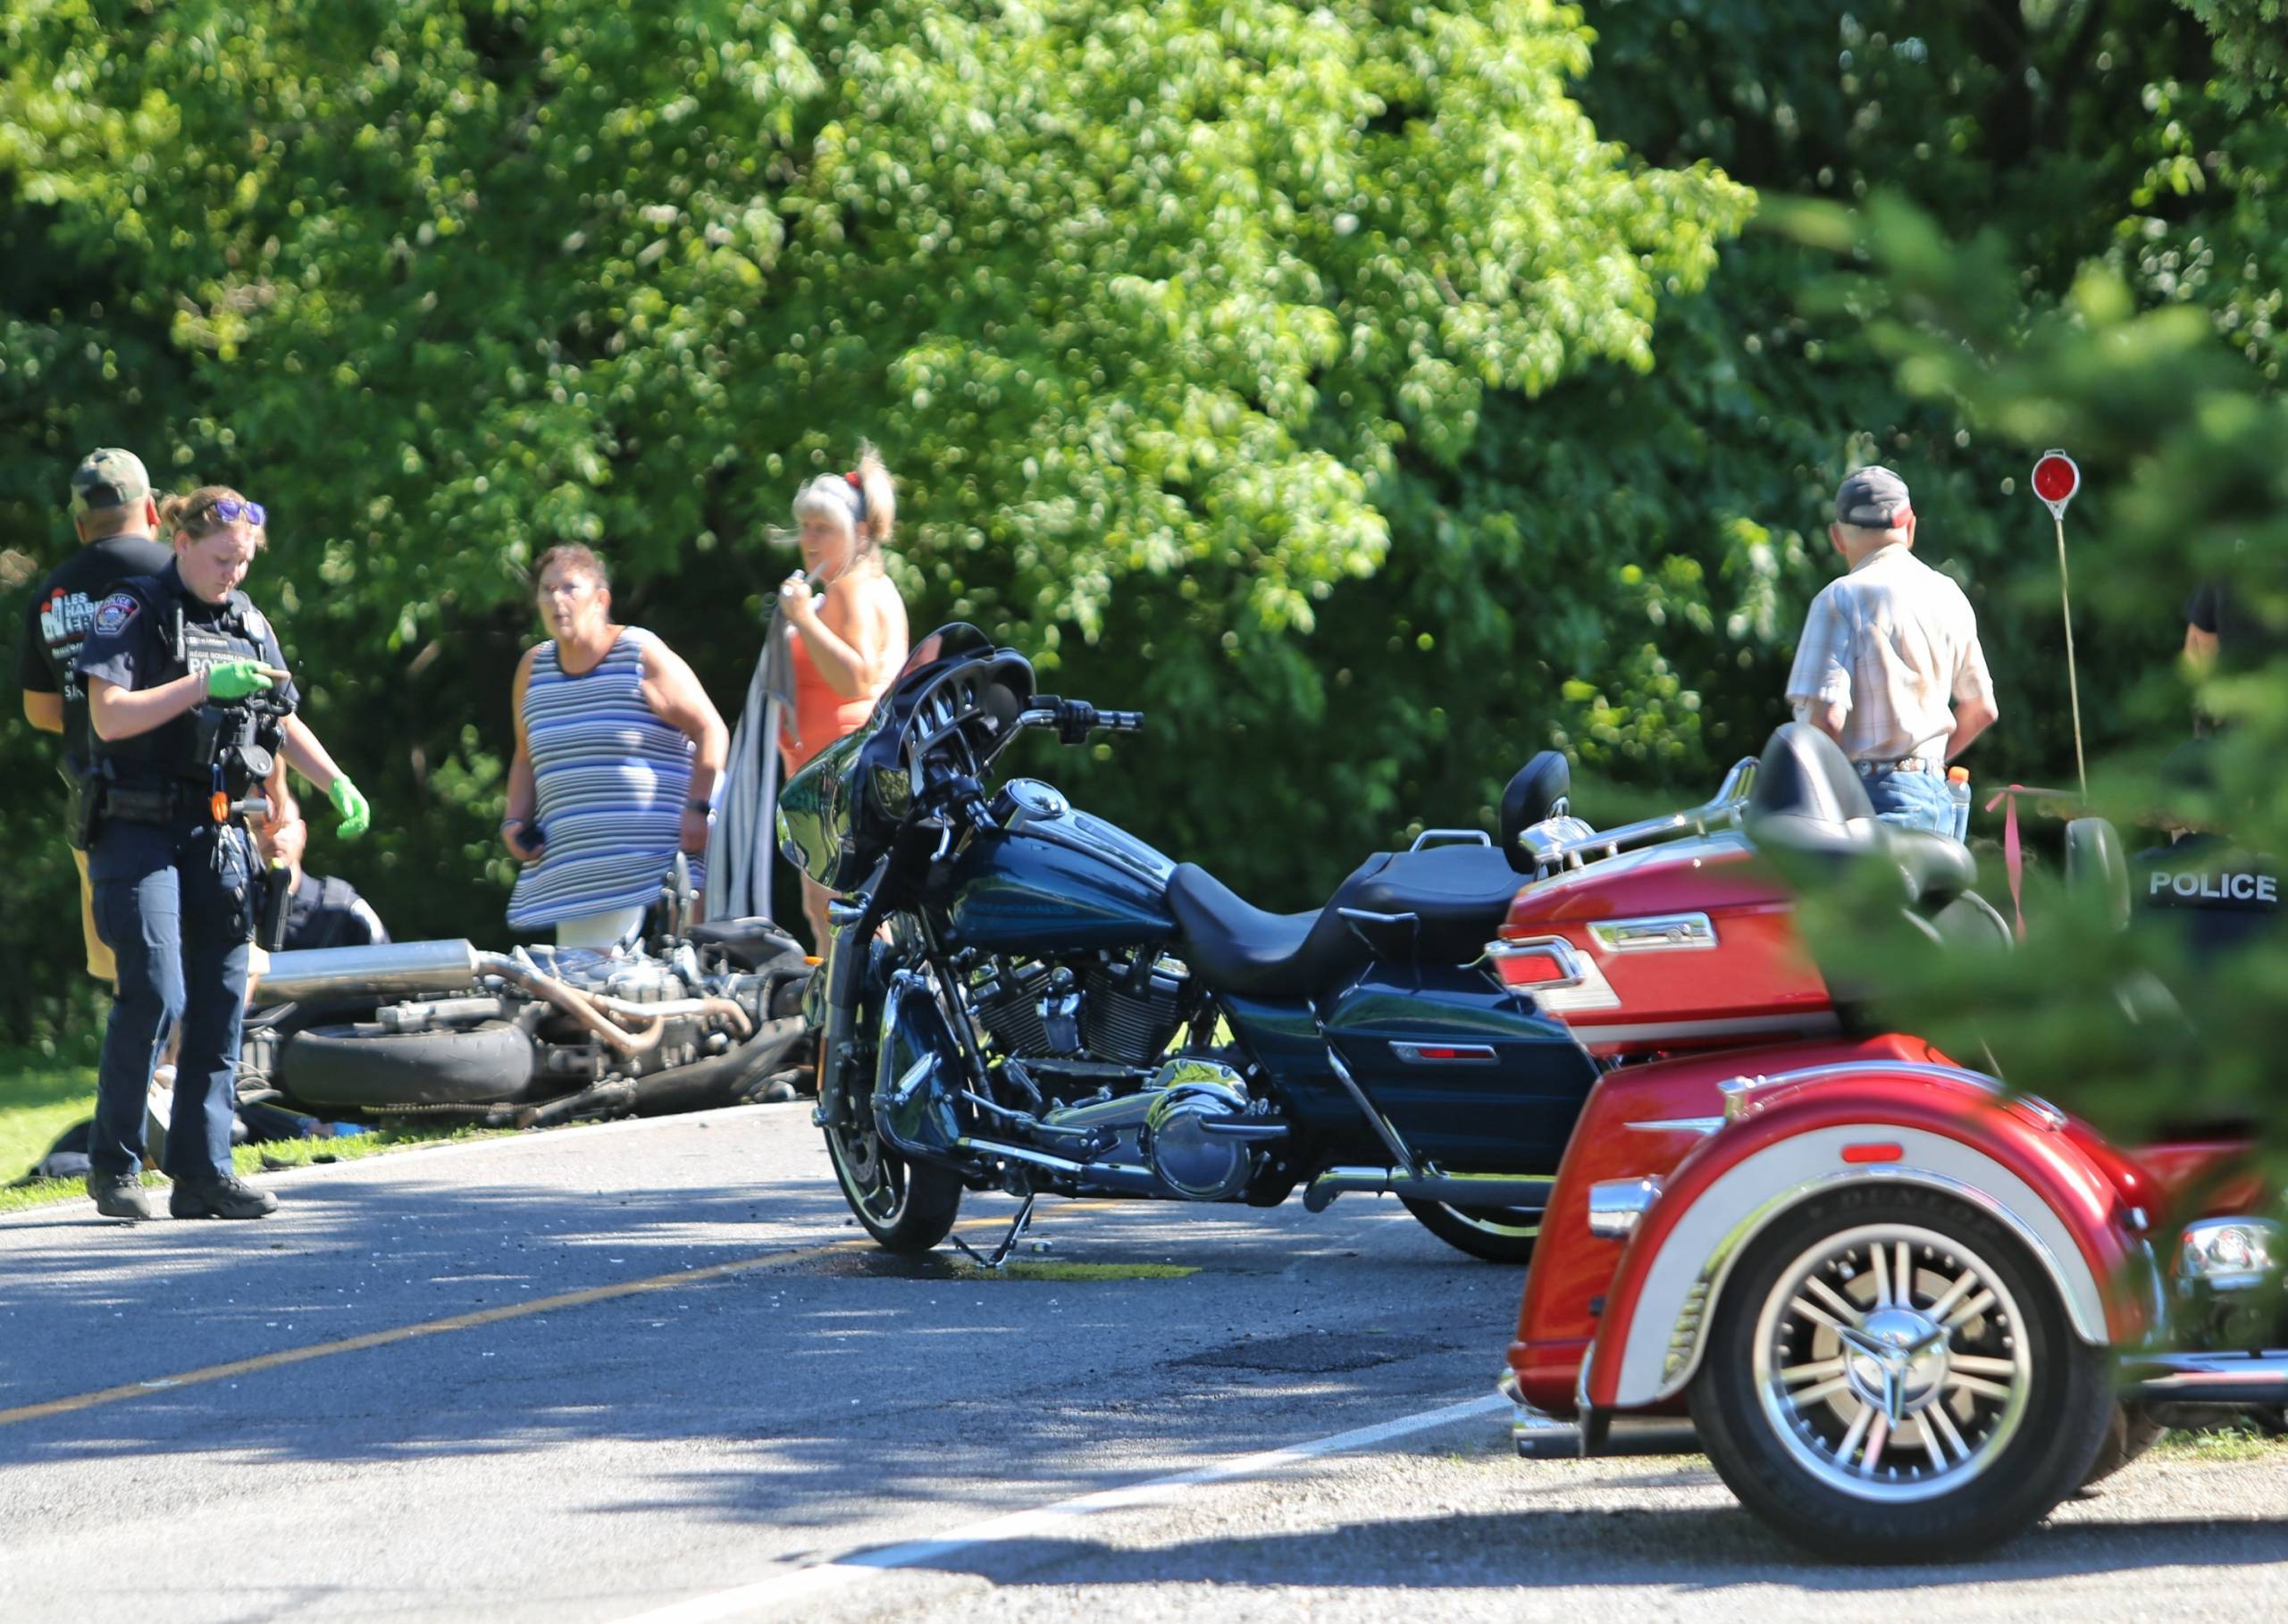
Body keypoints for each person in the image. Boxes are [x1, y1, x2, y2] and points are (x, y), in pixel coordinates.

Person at [74, 485, 370, 1221]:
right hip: (138, 829)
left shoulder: (248, 620)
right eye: (219, 559)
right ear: (180, 543)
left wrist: (336, 784)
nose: (231, 574)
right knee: (157, 989)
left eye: (242, 562)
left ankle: (203, 1174)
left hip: (221, 832)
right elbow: (108, 718)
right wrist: (201, 683)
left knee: (221, 998)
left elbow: (284, 713)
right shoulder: (131, 610)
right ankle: (113, 1168)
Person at [504, 543, 727, 947]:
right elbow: (524, 758)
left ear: (600, 599)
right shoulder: (532, 669)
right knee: (580, 992)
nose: (556, 599)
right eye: (547, 589)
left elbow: (711, 729)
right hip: (580, 872)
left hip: (659, 867)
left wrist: (699, 808)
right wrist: (514, 822)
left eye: (570, 588)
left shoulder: (639, 653)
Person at [13, 448, 177, 987]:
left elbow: (40, 711)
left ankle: (150, 1069)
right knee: (214, 952)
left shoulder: (50, 594)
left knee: (128, 966)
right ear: (152, 511)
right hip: (189, 796)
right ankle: (181, 1066)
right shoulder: (181, 576)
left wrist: (105, 717)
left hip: (99, 804)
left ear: (81, 525)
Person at [1784, 465, 1999, 841]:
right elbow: (1982, 709)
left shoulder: (1840, 599)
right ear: (1910, 527)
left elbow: (1826, 721)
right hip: (1940, 803)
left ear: (1837, 537)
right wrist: (1920, 765)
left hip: (1869, 803)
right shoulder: (1949, 595)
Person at [777, 448, 909, 947]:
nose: (808, 540)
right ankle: (856, 1021)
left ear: (859, 533)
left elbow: (857, 678)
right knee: (840, 909)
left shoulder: (851, 586)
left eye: (822, 528)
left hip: (842, 781)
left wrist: (804, 620)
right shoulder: (869, 584)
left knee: (841, 911)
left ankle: (852, 1024)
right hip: (848, 777)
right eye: (805, 526)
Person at [255, 788, 390, 950]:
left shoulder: (344, 909)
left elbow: (391, 967)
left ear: (302, 833)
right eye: (259, 826)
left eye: (283, 824)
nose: (273, 836)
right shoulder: (227, 912)